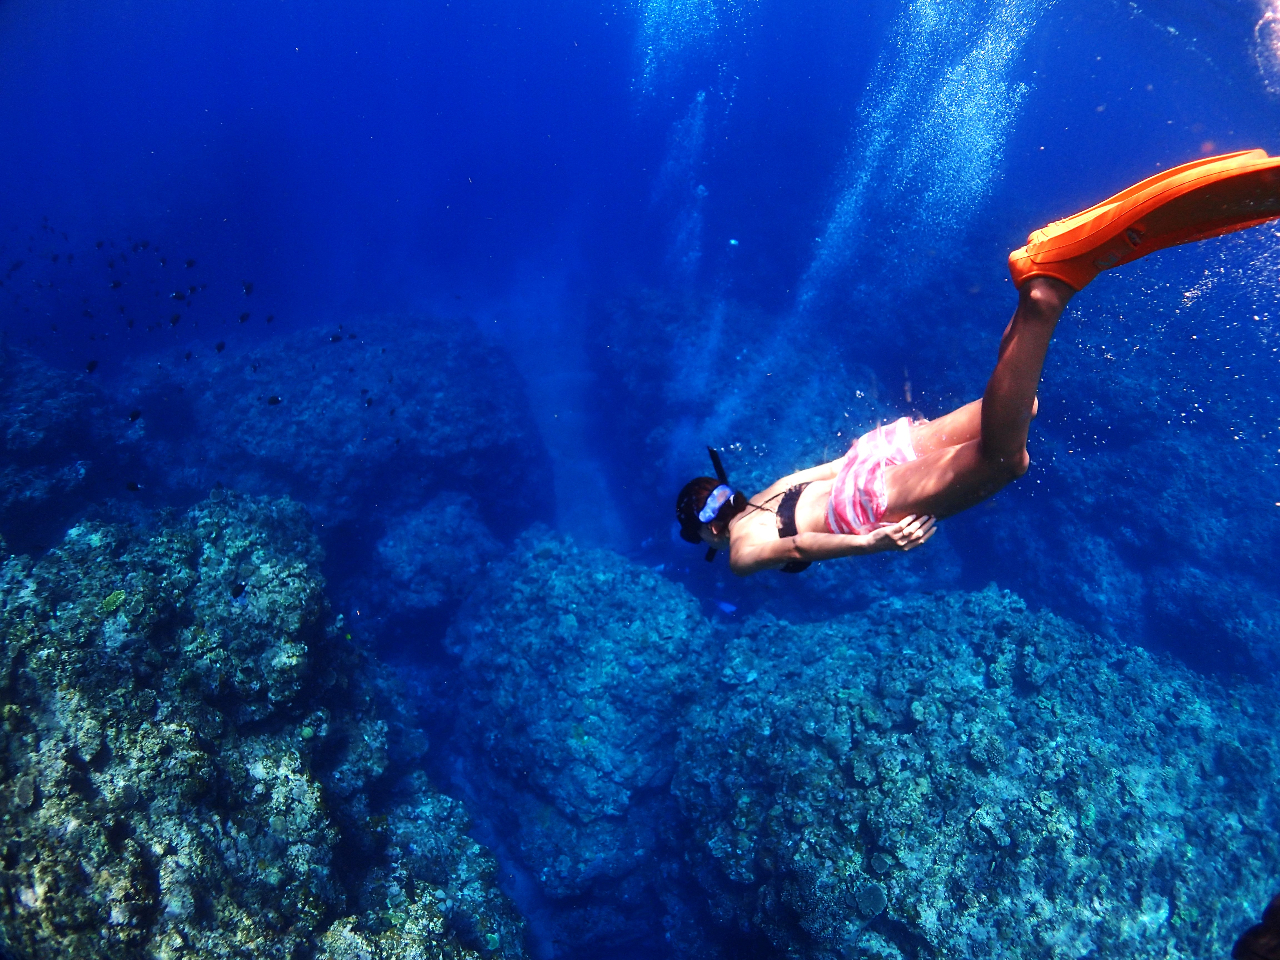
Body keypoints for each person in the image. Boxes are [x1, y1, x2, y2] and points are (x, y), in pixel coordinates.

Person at [677, 149, 1280, 576]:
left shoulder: (738, 549)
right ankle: (1041, 275)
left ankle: (1047, 292)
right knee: (1017, 410)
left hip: (863, 500)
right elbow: (830, 468)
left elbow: (797, 549)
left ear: (706, 529)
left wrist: (876, 542)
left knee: (1004, 460)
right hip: (874, 454)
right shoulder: (766, 491)